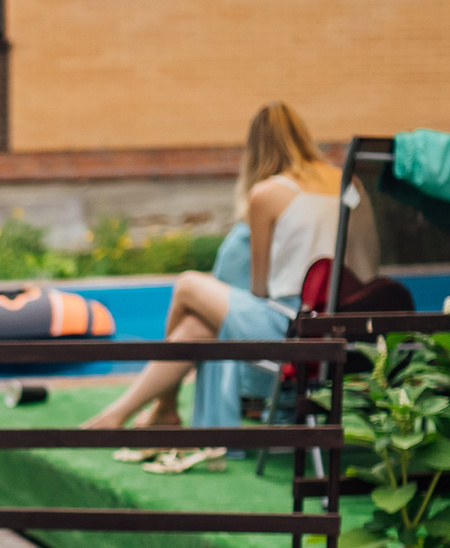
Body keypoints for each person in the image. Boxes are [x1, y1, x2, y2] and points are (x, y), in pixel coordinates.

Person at [82, 103, 341, 473]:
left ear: (256, 150)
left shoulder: (267, 193)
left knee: (188, 287)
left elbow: (259, 288)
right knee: (196, 328)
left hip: (290, 327)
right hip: (340, 324)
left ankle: (164, 409)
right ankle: (126, 413)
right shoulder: (344, 182)